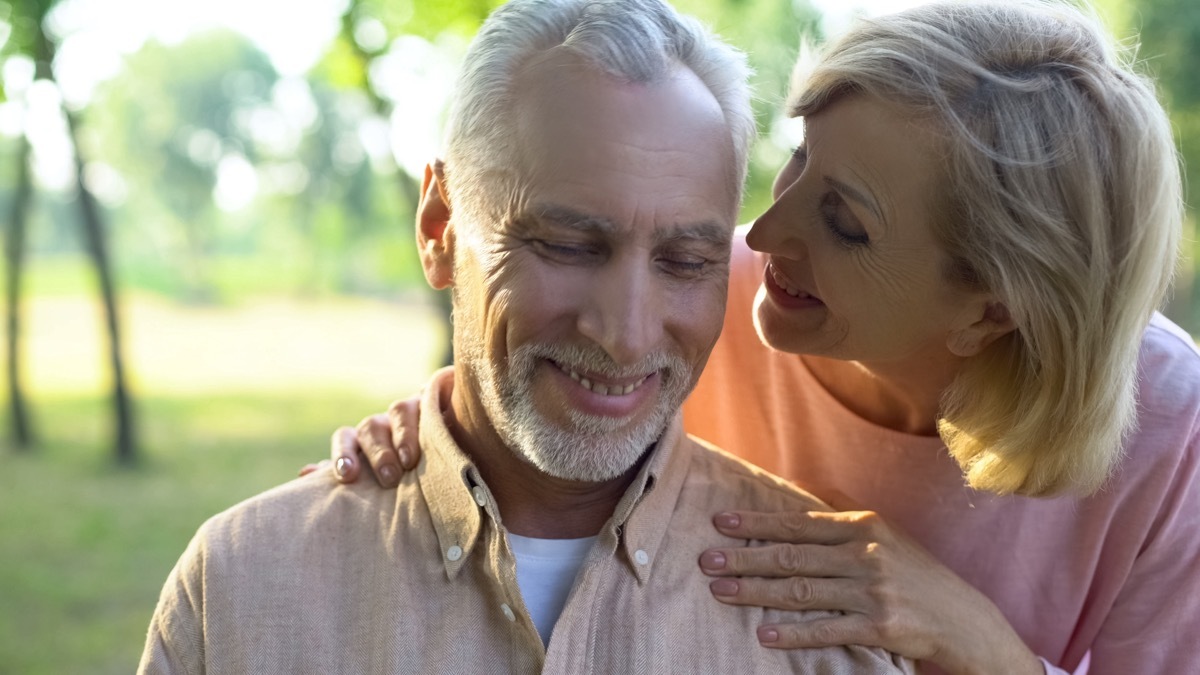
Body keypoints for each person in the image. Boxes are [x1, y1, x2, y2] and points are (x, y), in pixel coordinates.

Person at [318, 1, 1200, 674]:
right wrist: (437, 431)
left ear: (988, 310)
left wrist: (979, 643)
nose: (767, 231)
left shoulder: (1172, 433)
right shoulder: (713, 290)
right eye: (799, 159)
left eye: (845, 222)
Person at [138, 0, 916, 672]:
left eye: (687, 260)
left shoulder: (834, 623)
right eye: (569, 246)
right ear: (441, 226)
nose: (625, 333)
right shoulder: (241, 584)